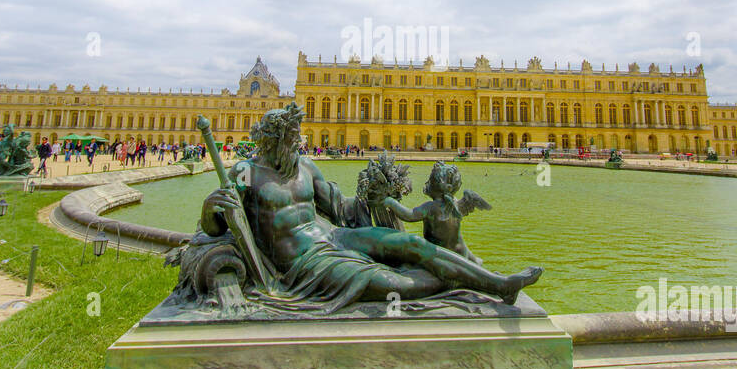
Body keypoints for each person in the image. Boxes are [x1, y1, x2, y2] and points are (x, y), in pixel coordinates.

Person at [197, 104, 542, 311]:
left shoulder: (306, 167)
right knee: (391, 283)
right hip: (303, 261)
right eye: (291, 137)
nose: (297, 141)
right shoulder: (245, 172)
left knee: (411, 245)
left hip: (334, 237)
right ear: (271, 140)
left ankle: (500, 284)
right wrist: (210, 208)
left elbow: (341, 207)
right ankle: (454, 282)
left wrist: (378, 195)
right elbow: (218, 226)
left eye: (296, 136)